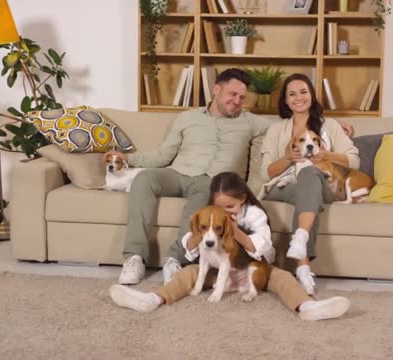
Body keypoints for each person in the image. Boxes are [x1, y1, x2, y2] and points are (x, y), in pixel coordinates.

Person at [116, 68, 354, 286]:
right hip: (177, 172)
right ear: (216, 90)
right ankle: (134, 257)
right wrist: (128, 159)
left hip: (209, 180)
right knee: (144, 178)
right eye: (232, 95)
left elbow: (292, 123)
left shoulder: (251, 121)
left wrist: (334, 125)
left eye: (242, 97)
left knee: (204, 195)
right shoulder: (187, 118)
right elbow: (162, 154)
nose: (237, 101)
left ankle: (175, 259)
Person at [109, 172, 350, 321]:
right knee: (188, 273)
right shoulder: (209, 216)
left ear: (243, 199)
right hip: (218, 271)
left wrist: (236, 233)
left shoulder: (254, 215)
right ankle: (152, 299)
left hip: (253, 270)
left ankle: (307, 306)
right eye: (219, 207)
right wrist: (197, 236)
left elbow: (264, 248)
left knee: (283, 277)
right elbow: (190, 247)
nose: (225, 212)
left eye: (231, 207)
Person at [260, 73, 360, 295]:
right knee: (308, 196)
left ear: (312, 96)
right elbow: (266, 172)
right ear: (285, 101)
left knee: (309, 176)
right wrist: (288, 158)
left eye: (303, 92)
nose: (298, 98)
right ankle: (303, 265)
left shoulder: (330, 126)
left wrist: (326, 154)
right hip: (283, 186)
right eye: (292, 94)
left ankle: (301, 248)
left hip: (323, 184)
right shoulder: (276, 130)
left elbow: (354, 159)